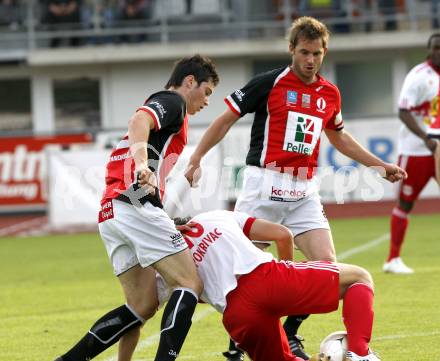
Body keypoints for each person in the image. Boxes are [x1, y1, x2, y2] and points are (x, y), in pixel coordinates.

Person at [184, 16, 406, 360]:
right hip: (264, 187)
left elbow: (339, 137)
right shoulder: (269, 83)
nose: (310, 60)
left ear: (324, 52)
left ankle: (291, 332)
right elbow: (225, 118)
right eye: (304, 52)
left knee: (328, 268)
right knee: (239, 269)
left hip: (304, 192)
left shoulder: (329, 93)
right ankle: (237, 345)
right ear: (291, 49)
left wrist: (380, 165)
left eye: (317, 53)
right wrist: (197, 157)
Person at [53, 54, 219, 361]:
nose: (207, 101)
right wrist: (143, 164)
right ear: (190, 82)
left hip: (113, 211)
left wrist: (164, 218)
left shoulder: (170, 115)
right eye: (207, 92)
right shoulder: (173, 102)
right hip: (135, 207)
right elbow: (138, 120)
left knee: (141, 306)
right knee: (189, 283)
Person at [117, 210, 381, 361]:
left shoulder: (167, 265)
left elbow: (139, 313)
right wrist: (288, 273)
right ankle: (359, 353)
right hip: (267, 278)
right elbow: (282, 234)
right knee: (359, 278)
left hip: (237, 317)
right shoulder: (213, 216)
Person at [383, 33, 440, 274]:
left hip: (438, 150)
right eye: (436, 47)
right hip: (415, 151)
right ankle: (393, 260)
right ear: (430, 50)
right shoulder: (419, 77)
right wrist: (426, 138)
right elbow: (403, 111)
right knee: (405, 203)